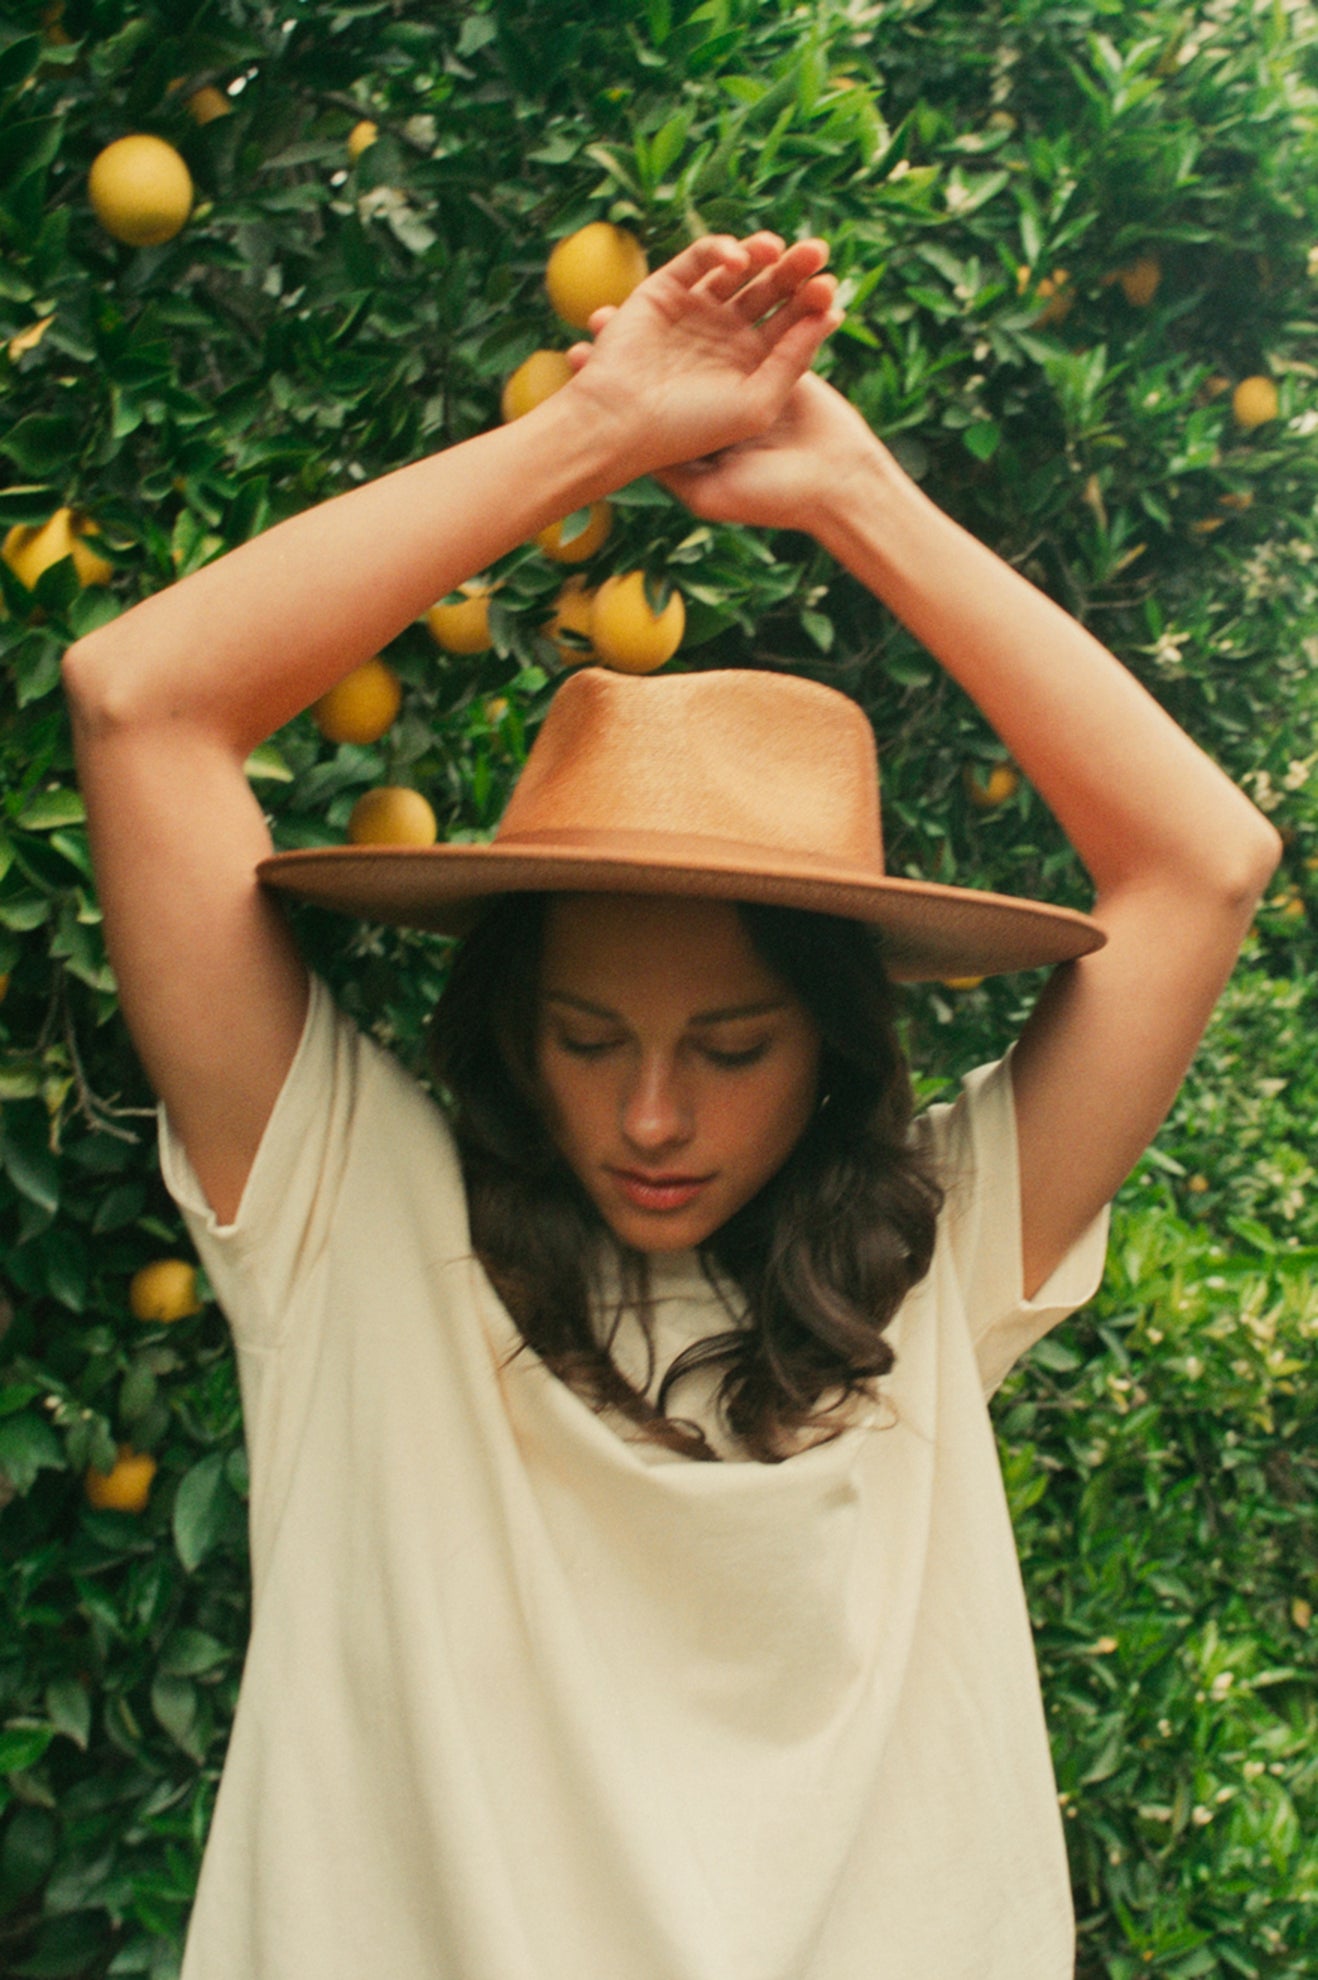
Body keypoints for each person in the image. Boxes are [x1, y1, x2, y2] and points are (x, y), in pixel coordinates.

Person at [62, 231, 1279, 1979]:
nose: (648, 1115)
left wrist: (858, 494)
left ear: (836, 1054)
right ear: (506, 1033)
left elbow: (1204, 862)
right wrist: (604, 421)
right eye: (580, 1039)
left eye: (730, 1051)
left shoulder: (927, 1270)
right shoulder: (353, 1225)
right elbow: (140, 702)